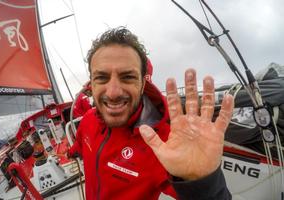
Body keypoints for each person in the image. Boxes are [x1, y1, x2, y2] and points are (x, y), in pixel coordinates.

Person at [69, 27, 234, 199]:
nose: (113, 92)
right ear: (91, 84)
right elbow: (80, 144)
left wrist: (203, 184)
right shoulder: (88, 120)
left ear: (142, 85)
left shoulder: (164, 144)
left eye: (127, 77)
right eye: (102, 77)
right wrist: (72, 152)